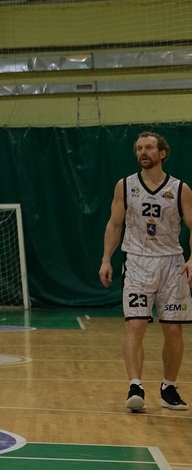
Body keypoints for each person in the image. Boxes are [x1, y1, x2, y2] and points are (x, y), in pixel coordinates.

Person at [101, 131, 192, 413]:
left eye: (149, 147)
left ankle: (169, 388)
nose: (143, 152)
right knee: (136, 325)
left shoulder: (180, 189)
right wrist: (106, 259)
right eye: (139, 148)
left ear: (162, 153)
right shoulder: (125, 186)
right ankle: (135, 386)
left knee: (173, 331)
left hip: (172, 264)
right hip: (138, 262)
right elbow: (115, 224)